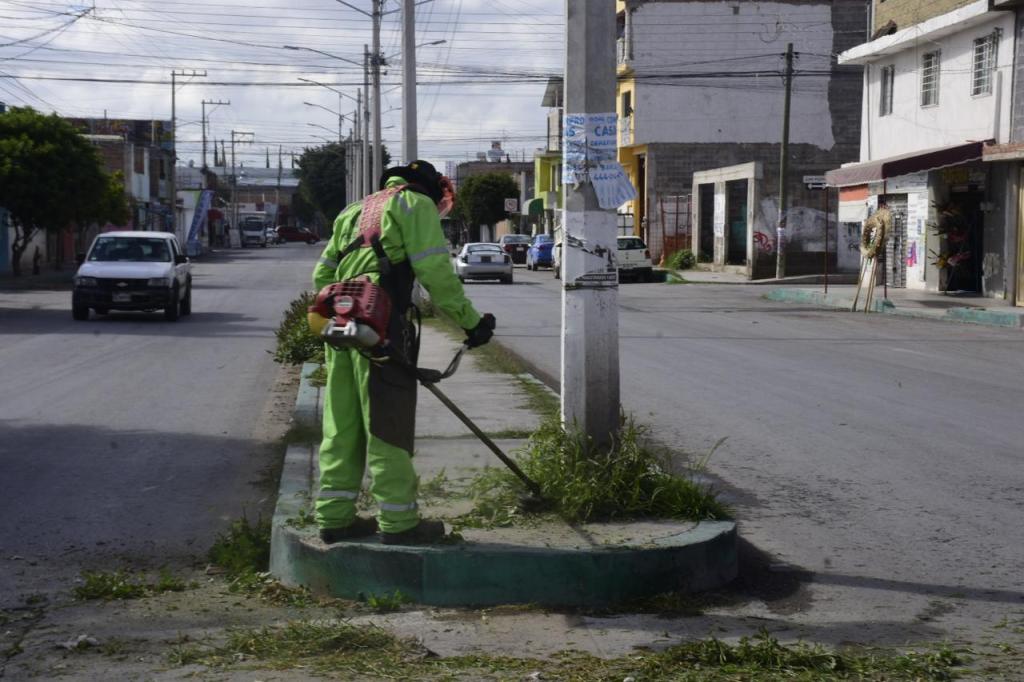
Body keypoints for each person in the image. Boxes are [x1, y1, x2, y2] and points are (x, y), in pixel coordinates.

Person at [311, 160, 495, 545]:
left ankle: (334, 518)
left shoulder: (352, 211)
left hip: (341, 323)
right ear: (426, 186)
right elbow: (435, 273)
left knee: (341, 425)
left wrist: (345, 308)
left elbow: (321, 276)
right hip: (382, 325)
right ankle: (398, 523)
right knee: (387, 424)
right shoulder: (414, 203)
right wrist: (471, 322)